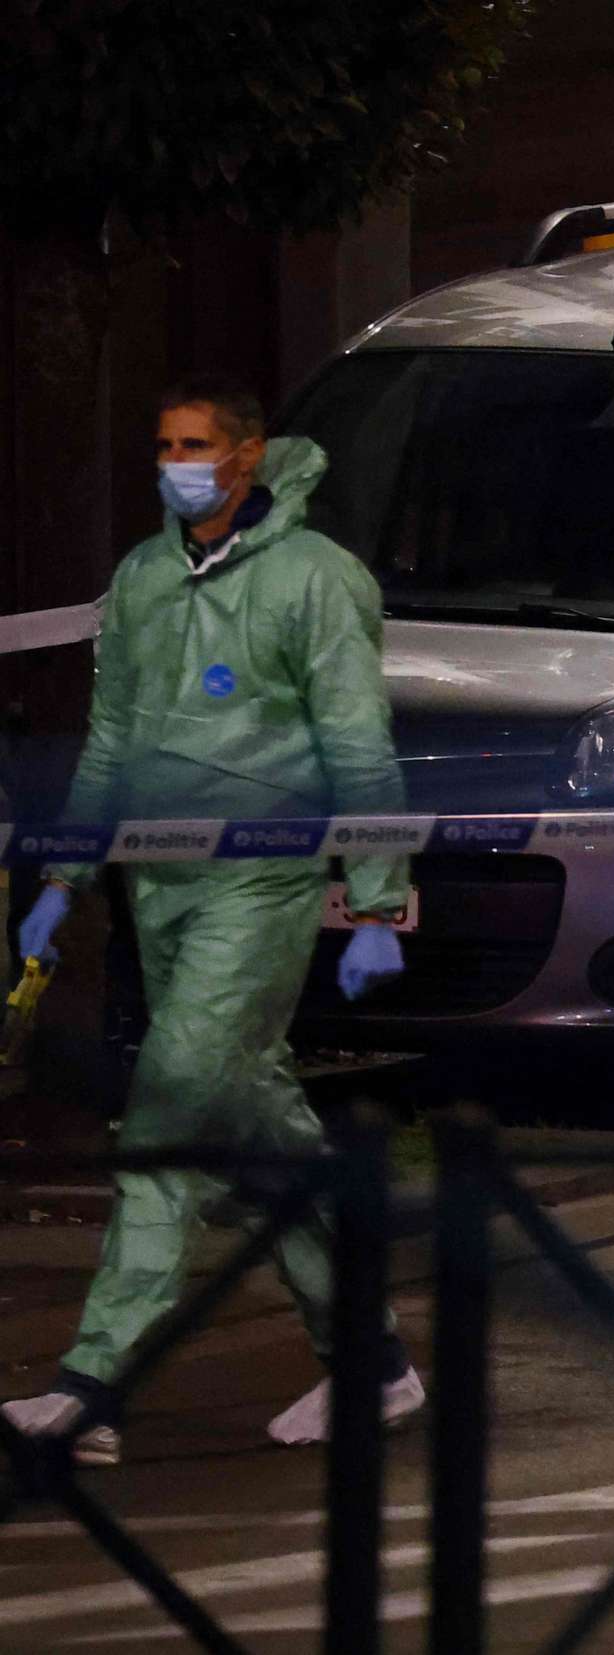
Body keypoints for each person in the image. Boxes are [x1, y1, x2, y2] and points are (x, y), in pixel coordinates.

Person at [2, 377, 418, 1466]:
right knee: (256, 1128)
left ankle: (97, 1381)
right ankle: (371, 1360)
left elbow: (358, 743)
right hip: (161, 888)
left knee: (167, 1113)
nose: (175, 460)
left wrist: (376, 897)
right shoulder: (142, 578)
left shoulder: (317, 581)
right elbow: (110, 742)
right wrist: (64, 881)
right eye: (164, 443)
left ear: (248, 457)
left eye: (195, 444)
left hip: (261, 882)